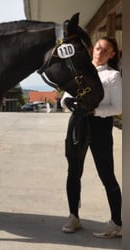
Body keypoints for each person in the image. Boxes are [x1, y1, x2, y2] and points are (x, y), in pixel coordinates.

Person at [60, 37, 122, 238]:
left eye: (105, 51)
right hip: (77, 125)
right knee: (73, 172)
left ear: (112, 54)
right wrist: (68, 102)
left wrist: (94, 111)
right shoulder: (80, 71)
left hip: (99, 127)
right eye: (98, 48)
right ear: (92, 49)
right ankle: (73, 216)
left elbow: (119, 107)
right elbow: (64, 98)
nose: (100, 53)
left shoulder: (113, 76)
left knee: (106, 175)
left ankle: (117, 223)